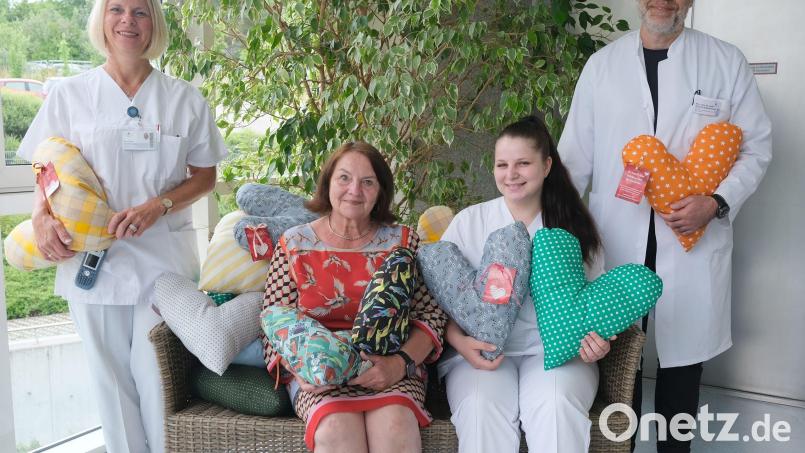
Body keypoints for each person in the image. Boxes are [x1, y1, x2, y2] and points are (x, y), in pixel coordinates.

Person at [557, 1, 772, 451]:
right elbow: (572, 162)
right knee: (620, 360)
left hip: (691, 241)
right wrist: (550, 234)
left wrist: (716, 203)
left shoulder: (724, 61)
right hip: (616, 237)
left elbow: (756, 149)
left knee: (682, 367)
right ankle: (623, 447)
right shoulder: (602, 66)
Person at [17, 1, 227, 451]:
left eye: (141, 12)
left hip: (163, 260)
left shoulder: (184, 98)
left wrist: (160, 204)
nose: (128, 21)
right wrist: (40, 215)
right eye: (117, 9)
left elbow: (205, 175)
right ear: (102, 20)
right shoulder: (70, 94)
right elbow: (44, 165)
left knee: (160, 379)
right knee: (111, 387)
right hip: (92, 261)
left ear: (155, 24)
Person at [439, 116, 613, 453]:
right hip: (481, 353)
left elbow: (597, 300)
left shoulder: (574, 228)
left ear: (547, 166)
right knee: (480, 408)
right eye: (502, 164)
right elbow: (440, 301)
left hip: (558, 353)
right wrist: (460, 343)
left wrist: (598, 342)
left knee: (556, 404)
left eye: (523, 163)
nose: (511, 174)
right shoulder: (470, 223)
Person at [260, 141, 447, 453]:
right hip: (321, 373)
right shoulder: (293, 243)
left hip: (390, 366)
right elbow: (273, 318)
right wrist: (302, 372)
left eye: (368, 181)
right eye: (344, 178)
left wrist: (398, 364)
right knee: (335, 430)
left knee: (395, 425)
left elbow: (431, 315)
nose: (354, 190)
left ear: (381, 191)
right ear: (328, 182)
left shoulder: (403, 240)